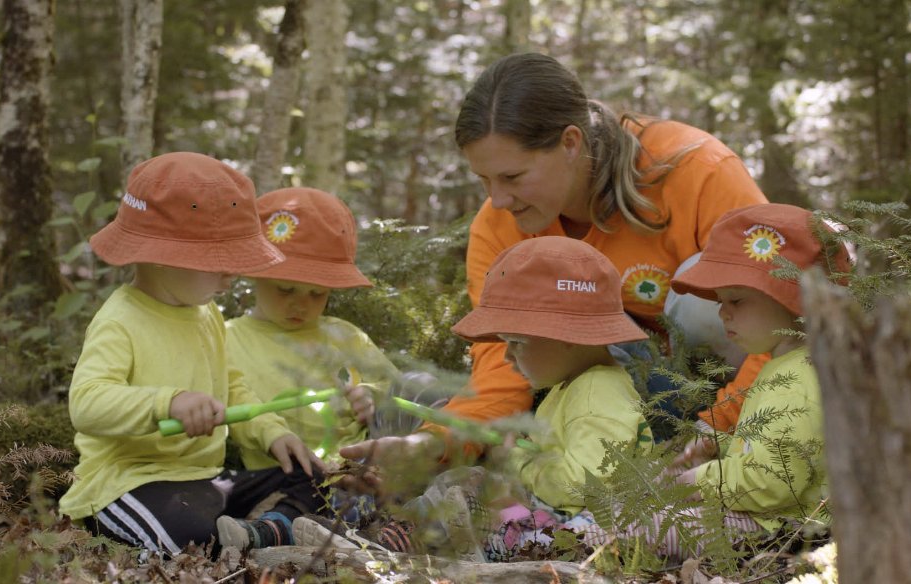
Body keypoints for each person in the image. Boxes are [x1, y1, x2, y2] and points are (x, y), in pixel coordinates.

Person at [339, 52, 769, 485]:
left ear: (570, 143)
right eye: (484, 180)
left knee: (713, 295)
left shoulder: (697, 172)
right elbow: (503, 364)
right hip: (592, 395)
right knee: (419, 393)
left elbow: (780, 307)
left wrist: (716, 428)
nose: (498, 200)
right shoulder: (498, 225)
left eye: (512, 177)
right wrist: (436, 444)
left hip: (712, 394)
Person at [300, 236, 654, 560]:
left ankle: (387, 544)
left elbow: (585, 486)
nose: (507, 356)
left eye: (516, 343)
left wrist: (520, 460)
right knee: (467, 482)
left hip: (572, 536)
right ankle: (390, 537)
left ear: (568, 336)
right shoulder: (576, 385)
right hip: (551, 520)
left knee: (468, 484)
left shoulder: (596, 394)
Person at [58, 152, 326, 556]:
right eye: (218, 262)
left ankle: (263, 532)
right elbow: (87, 404)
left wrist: (272, 432)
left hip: (207, 479)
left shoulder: (207, 313)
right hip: (128, 484)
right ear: (164, 257)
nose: (231, 274)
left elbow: (232, 388)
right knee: (193, 536)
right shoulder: (121, 320)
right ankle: (261, 537)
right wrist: (168, 403)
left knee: (314, 475)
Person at [619, 202, 851, 560]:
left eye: (736, 300)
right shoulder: (790, 366)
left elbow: (772, 483)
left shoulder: (796, 380)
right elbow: (782, 454)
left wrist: (700, 480)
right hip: (775, 517)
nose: (721, 312)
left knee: (643, 526)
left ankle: (571, 538)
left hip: (783, 528)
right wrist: (724, 448)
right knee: (644, 515)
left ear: (793, 298)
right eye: (721, 300)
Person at [226, 187, 399, 523]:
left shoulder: (344, 335)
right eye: (285, 289)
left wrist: (372, 396)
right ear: (254, 272)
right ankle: (291, 526)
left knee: (425, 391)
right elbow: (237, 409)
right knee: (319, 501)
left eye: (317, 294)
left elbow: (395, 387)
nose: (300, 304)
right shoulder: (229, 339)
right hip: (293, 476)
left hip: (365, 463)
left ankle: (418, 504)